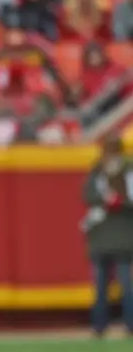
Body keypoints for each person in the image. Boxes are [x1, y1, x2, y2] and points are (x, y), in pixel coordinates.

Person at [81, 135, 133, 337]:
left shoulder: (125, 171)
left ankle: (125, 325)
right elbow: (87, 195)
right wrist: (109, 201)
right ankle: (101, 325)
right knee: (103, 285)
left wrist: (119, 202)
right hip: (106, 237)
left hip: (120, 236)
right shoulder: (98, 172)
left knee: (123, 284)